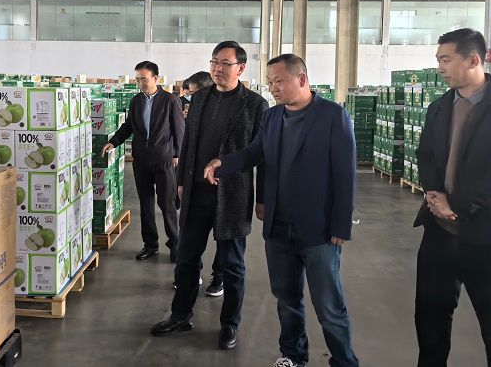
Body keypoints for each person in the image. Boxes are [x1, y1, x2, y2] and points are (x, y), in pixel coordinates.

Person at [203, 53, 359, 367]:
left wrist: (341, 225)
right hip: (278, 227)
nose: (273, 88)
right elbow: (255, 152)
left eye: (279, 81)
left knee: (328, 306)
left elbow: (345, 174)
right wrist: (224, 163)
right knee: (287, 299)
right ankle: (293, 356)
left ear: (301, 79)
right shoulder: (273, 117)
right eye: (270, 82)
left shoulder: (332, 116)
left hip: (318, 230)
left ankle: (344, 361)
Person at [413, 28, 491, 367]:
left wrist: (457, 206)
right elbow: (426, 156)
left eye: (446, 59)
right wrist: (436, 196)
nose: (440, 67)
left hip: (489, 236)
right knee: (430, 322)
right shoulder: (439, 108)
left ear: (473, 60)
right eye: (438, 60)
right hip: (440, 234)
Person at [151, 41, 268, 351]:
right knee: (187, 258)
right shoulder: (200, 97)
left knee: (232, 265)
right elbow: (188, 142)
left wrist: (262, 199)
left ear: (240, 68)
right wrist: (181, 181)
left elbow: (261, 154)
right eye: (214, 61)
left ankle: (230, 324)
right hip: (196, 193)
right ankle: (180, 315)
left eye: (225, 63)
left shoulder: (255, 105)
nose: (218, 68)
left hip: (233, 195)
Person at [102, 61, 185, 262]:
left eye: (144, 79)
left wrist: (177, 155)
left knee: (167, 203)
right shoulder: (136, 101)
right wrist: (114, 142)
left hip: (164, 160)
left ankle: (176, 244)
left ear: (156, 78)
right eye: (137, 79)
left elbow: (179, 130)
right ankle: (150, 245)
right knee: (146, 203)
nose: (140, 83)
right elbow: (129, 125)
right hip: (141, 160)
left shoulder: (170, 100)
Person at [184, 70, 223, 297]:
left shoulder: (226, 108)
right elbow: (187, 145)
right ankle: (193, 273)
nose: (192, 98)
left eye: (194, 93)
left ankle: (219, 277)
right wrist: (182, 181)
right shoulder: (196, 108)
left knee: (223, 237)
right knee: (192, 238)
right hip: (196, 185)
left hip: (222, 186)